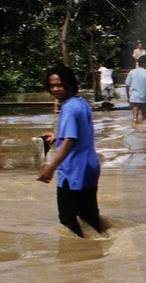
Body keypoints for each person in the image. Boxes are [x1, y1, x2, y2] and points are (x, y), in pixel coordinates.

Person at [36, 65, 108, 237]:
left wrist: (50, 168)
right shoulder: (80, 102)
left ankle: (78, 256)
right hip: (89, 167)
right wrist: (57, 136)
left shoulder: (68, 108)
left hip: (73, 171)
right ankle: (98, 251)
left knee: (67, 219)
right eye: (52, 86)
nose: (55, 89)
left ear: (69, 84)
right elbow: (77, 131)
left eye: (59, 85)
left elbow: (69, 141)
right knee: (88, 215)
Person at [125, 59, 146, 124]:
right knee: (144, 118)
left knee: (135, 117)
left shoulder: (132, 72)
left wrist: (128, 96)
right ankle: (144, 132)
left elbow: (127, 85)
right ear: (145, 63)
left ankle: (135, 131)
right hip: (144, 98)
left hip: (134, 98)